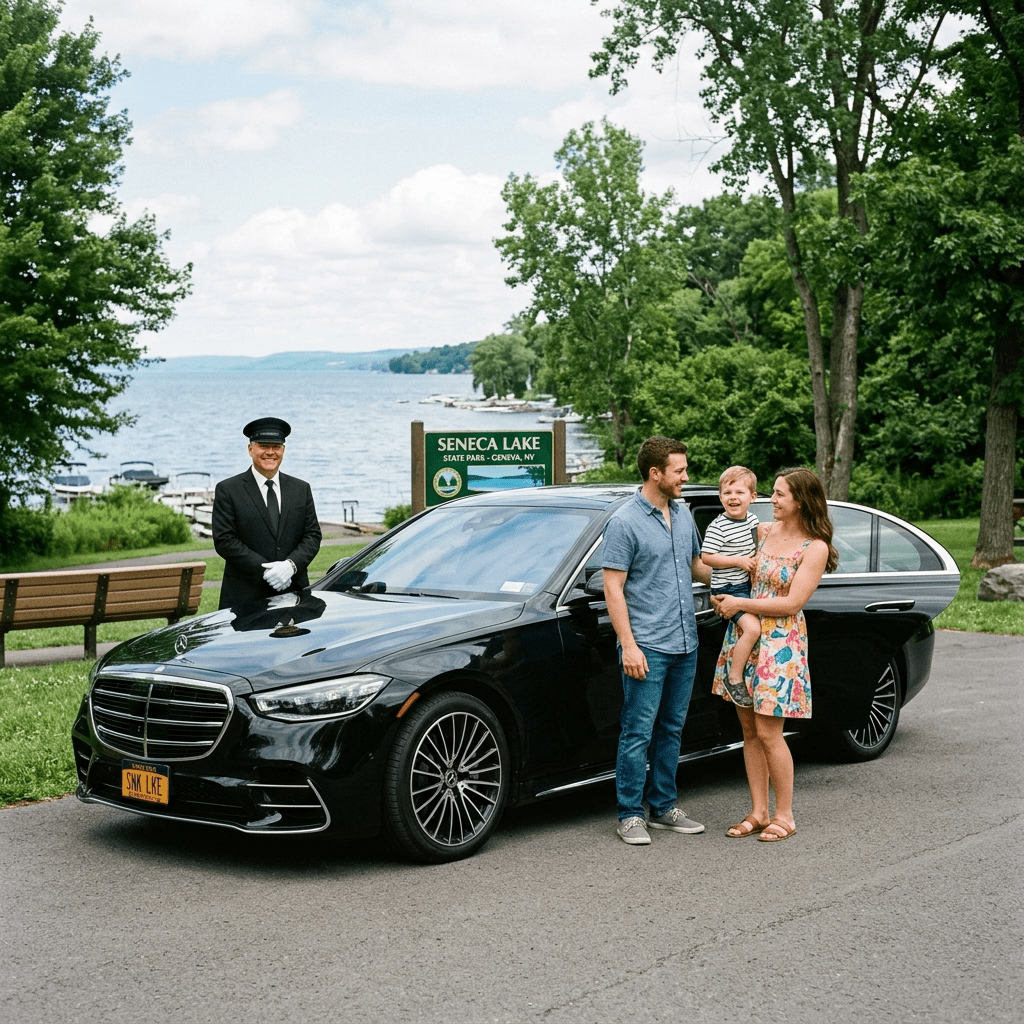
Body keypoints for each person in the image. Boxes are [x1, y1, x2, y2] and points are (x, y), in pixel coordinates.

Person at [710, 467, 838, 843]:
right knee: (749, 730)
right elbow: (728, 563)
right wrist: (720, 591)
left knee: (769, 732)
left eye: (780, 494)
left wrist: (739, 604)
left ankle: (785, 814)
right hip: (747, 638)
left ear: (800, 500)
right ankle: (759, 810)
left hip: (781, 646)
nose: (772, 500)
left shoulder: (815, 547)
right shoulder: (763, 531)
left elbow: (793, 602)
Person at [602, 435, 712, 846]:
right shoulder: (624, 522)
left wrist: (743, 574)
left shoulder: (682, 514)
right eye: (679, 471)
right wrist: (628, 645)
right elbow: (613, 587)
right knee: (637, 731)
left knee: (672, 728)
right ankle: (630, 814)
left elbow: (696, 566)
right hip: (646, 644)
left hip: (686, 641)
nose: (686, 477)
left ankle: (663, 807)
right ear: (655, 473)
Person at [212, 417, 322, 610]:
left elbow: (312, 535)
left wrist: (290, 566)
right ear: (250, 449)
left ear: (283, 450)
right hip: (244, 597)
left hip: (294, 594)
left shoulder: (301, 488)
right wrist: (267, 571)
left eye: (276, 446)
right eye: (263, 446)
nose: (270, 452)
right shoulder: (228, 490)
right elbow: (225, 540)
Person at [701, 466, 761, 707]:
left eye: (739, 492)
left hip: (745, 587)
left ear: (752, 497)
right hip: (727, 591)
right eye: (727, 493)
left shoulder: (753, 520)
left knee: (756, 631)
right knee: (753, 630)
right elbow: (707, 557)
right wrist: (738, 561)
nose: (733, 497)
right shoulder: (719, 526)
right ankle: (733, 677)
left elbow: (759, 546)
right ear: (720, 497)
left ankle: (747, 675)